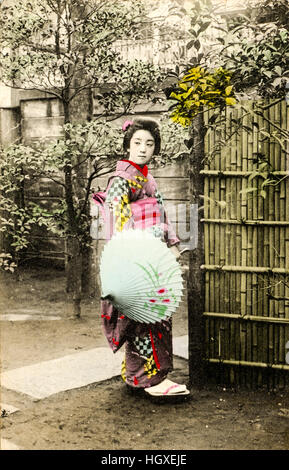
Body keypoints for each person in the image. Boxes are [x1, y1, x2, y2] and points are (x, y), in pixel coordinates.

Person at [99, 118, 189, 399]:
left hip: (153, 255)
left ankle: (140, 375)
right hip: (135, 256)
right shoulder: (119, 180)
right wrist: (145, 242)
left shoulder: (147, 178)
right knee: (143, 316)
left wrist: (172, 245)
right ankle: (149, 380)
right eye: (137, 142)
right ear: (127, 145)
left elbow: (161, 213)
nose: (142, 148)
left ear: (155, 148)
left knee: (156, 314)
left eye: (149, 144)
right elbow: (116, 222)